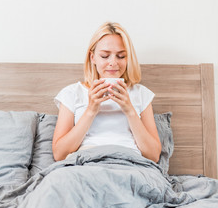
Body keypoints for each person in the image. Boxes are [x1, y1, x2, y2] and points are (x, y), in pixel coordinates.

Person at [52, 22, 161, 163]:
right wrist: (91, 110)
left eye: (121, 56)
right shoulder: (72, 93)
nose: (113, 63)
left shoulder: (141, 94)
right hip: (86, 163)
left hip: (130, 163)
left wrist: (130, 110)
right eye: (104, 56)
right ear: (93, 58)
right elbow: (59, 154)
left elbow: (153, 156)